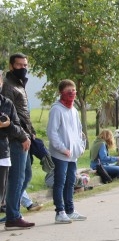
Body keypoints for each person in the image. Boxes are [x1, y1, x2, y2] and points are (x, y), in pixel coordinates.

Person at [1, 53, 35, 229]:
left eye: (25, 65)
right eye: (20, 65)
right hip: (15, 138)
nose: (23, 68)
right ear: (11, 65)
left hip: (25, 135)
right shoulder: (7, 86)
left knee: (26, 175)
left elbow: (24, 113)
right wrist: (22, 135)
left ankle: (10, 209)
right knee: (17, 177)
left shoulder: (19, 84)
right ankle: (12, 216)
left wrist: (31, 133)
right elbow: (11, 117)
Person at [47, 80, 87, 224]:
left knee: (71, 182)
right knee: (60, 182)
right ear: (61, 93)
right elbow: (52, 133)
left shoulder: (74, 111)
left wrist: (80, 147)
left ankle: (70, 210)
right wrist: (63, 149)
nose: (71, 93)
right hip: (60, 154)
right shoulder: (56, 110)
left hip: (73, 154)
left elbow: (79, 131)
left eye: (74, 90)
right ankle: (60, 212)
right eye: (68, 90)